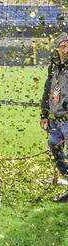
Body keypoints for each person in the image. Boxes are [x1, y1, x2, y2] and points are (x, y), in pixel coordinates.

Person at [41, 33, 68, 202]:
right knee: (54, 149)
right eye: (63, 46)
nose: (66, 49)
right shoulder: (54, 67)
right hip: (55, 119)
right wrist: (44, 113)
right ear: (57, 49)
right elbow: (51, 90)